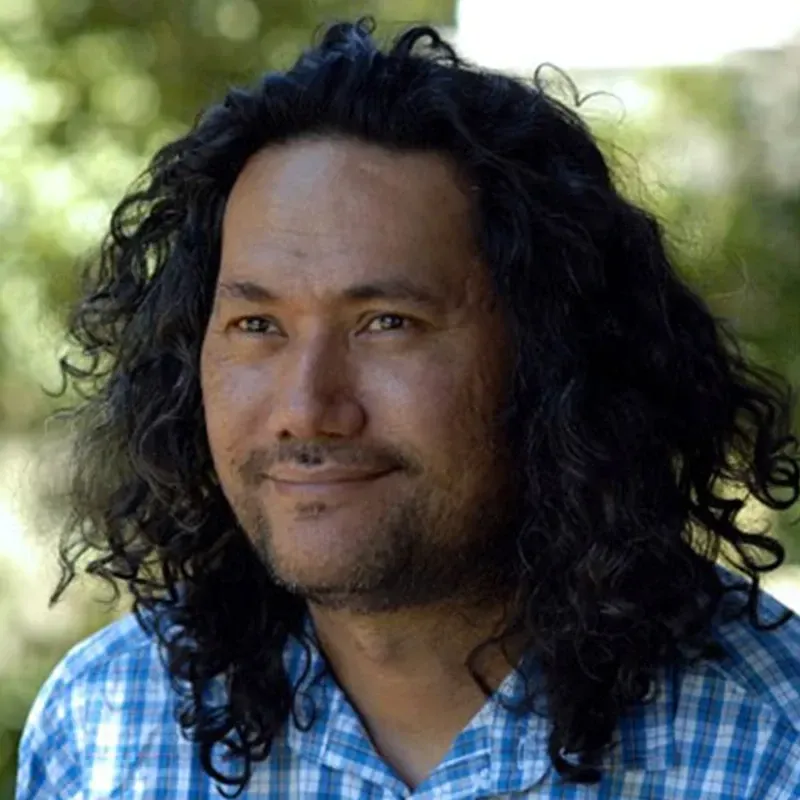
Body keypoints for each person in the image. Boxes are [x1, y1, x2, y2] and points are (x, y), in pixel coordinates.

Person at [15, 18, 800, 800]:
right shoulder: (104, 728)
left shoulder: (774, 746)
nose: (306, 409)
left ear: (556, 358)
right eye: (257, 325)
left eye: (387, 323)